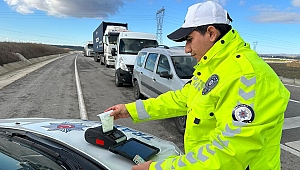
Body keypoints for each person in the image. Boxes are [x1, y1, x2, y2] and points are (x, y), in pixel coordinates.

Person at [105, 1, 290, 170]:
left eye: (189, 39)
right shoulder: (214, 66)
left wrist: (157, 168)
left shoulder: (246, 76)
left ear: (211, 33)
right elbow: (182, 99)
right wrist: (131, 110)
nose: (186, 49)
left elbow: (228, 154)